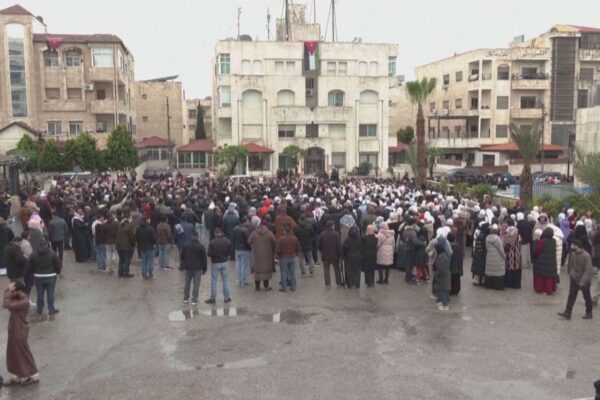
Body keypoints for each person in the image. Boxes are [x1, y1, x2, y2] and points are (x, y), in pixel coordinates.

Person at [3, 281, 38, 386]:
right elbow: (6, 298)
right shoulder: (18, 296)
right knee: (13, 354)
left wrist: (9, 291)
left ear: (17, 290)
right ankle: (18, 375)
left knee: (24, 353)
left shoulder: (24, 301)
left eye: (12, 286)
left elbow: (5, 304)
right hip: (14, 330)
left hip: (20, 331)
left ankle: (34, 375)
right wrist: (8, 290)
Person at [558, 239, 594, 320]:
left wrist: (582, 282)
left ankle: (589, 312)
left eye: (572, 245)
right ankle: (568, 312)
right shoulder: (573, 254)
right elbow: (571, 266)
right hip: (575, 279)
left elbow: (588, 270)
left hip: (585, 281)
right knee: (571, 296)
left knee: (586, 297)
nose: (571, 246)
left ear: (577, 246)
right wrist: (572, 274)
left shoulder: (586, 256)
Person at [29, 240, 61, 315]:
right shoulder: (52, 253)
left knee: (40, 293)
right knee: (50, 293)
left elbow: (30, 265)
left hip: (38, 276)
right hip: (51, 276)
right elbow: (57, 264)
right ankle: (51, 309)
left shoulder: (33, 254)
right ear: (47, 245)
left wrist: (34, 272)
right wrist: (57, 272)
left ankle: (39, 309)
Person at [205, 227, 232, 304]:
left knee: (214, 281)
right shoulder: (227, 241)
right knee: (225, 280)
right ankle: (227, 297)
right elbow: (230, 252)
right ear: (222, 233)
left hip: (215, 263)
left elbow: (209, 254)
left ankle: (213, 298)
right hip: (224, 262)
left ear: (215, 234)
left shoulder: (212, 242)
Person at [181, 231, 207, 305]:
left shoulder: (186, 245)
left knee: (187, 283)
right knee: (196, 284)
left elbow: (182, 256)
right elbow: (204, 259)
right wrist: (204, 269)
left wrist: (184, 264)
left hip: (188, 267)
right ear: (198, 237)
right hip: (198, 268)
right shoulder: (201, 246)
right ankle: (194, 300)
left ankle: (185, 298)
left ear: (191, 236)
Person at [249, 222, 276, 291]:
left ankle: (257, 286)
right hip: (267, 254)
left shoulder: (254, 233)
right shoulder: (269, 233)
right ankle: (266, 286)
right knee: (266, 271)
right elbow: (274, 241)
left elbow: (249, 241)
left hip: (257, 255)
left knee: (257, 271)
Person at [275, 223, 300, 292]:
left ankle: (284, 287)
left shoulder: (281, 239)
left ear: (285, 231)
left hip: (283, 257)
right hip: (292, 257)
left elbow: (278, 249)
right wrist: (296, 253)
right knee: (292, 272)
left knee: (283, 273)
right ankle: (293, 286)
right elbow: (297, 247)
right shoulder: (294, 238)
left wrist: (278, 255)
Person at [318, 220, 342, 288]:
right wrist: (340, 255)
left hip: (325, 255)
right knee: (337, 269)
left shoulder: (322, 234)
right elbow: (339, 246)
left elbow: (319, 245)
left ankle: (328, 284)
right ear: (332, 226)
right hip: (335, 255)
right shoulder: (336, 234)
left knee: (326, 270)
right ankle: (338, 283)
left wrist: (322, 251)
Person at [533, 227, 558, 295]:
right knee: (549, 276)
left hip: (542, 261)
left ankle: (541, 289)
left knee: (542, 276)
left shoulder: (542, 241)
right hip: (551, 261)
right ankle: (549, 289)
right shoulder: (554, 241)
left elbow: (537, 251)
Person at [485, 224, 506, 290]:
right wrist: (504, 256)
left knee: (490, 270)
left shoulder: (487, 238)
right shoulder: (497, 239)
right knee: (497, 271)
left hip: (489, 257)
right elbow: (501, 250)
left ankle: (489, 285)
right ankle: (498, 286)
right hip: (498, 258)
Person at [433, 235, 452, 311]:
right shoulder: (445, 254)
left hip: (443, 277)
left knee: (443, 291)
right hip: (444, 277)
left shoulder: (441, 257)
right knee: (442, 290)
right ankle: (442, 302)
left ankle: (445, 304)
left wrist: (437, 274)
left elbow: (441, 269)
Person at [232, 216, 252, 286]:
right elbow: (248, 241)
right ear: (245, 222)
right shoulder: (246, 230)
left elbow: (233, 239)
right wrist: (251, 248)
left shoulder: (235, 229)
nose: (249, 223)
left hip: (237, 249)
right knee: (244, 266)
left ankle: (239, 280)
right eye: (248, 222)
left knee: (238, 265)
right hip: (245, 250)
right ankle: (243, 280)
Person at [115, 213, 135, 278]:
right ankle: (126, 272)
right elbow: (131, 237)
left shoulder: (119, 225)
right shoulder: (129, 226)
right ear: (129, 218)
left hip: (119, 246)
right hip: (127, 246)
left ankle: (120, 272)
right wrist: (133, 244)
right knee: (127, 260)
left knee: (121, 259)